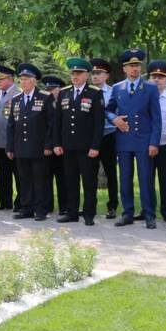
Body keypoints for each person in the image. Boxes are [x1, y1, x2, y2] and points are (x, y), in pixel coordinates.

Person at [107, 49, 161, 229]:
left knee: (145, 178)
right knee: (125, 179)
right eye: (131, 66)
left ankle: (149, 215)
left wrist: (154, 142)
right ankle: (127, 213)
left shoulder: (150, 88)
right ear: (124, 68)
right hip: (123, 140)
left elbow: (156, 118)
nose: (135, 68)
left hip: (144, 141)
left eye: (137, 65)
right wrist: (113, 118)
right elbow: (108, 109)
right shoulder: (117, 88)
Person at [53, 58, 103, 225]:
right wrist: (57, 143)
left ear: (86, 75)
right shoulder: (64, 92)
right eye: (73, 73)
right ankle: (72, 212)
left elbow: (98, 123)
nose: (75, 76)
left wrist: (95, 146)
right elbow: (58, 121)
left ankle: (89, 214)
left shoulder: (95, 93)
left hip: (87, 147)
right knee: (70, 181)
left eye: (79, 73)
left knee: (89, 182)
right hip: (68, 146)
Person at [6, 63, 55, 220]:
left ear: (35, 81)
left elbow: (51, 124)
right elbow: (11, 125)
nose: (23, 81)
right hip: (21, 147)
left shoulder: (45, 97)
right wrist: (10, 147)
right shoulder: (16, 100)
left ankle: (41, 209)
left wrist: (49, 145)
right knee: (24, 179)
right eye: (22, 79)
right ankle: (26, 208)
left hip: (39, 147)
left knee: (40, 179)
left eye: (27, 79)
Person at [147, 60, 166, 223]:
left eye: (161, 77)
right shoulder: (143, 98)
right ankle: (148, 209)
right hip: (147, 145)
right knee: (147, 180)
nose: (157, 80)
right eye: (154, 76)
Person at [90, 58, 119, 218]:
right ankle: (90, 206)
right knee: (90, 173)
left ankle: (112, 206)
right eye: (93, 73)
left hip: (108, 136)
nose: (95, 76)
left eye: (99, 73)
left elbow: (117, 113)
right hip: (90, 138)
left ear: (106, 75)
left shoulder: (113, 92)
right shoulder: (86, 91)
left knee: (111, 173)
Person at [0, 64, 22, 212]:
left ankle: (20, 202)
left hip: (14, 141)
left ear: (10, 79)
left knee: (18, 174)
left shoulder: (19, 93)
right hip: (0, 141)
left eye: (1, 79)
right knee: (3, 174)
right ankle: (5, 202)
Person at [42, 74, 67, 214]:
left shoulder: (65, 103)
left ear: (60, 89)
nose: (51, 92)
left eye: (53, 89)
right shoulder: (45, 103)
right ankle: (47, 205)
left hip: (62, 147)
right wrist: (48, 145)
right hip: (46, 147)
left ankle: (64, 207)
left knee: (62, 178)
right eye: (48, 89)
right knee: (46, 178)